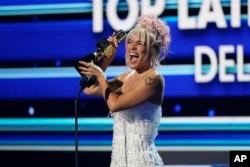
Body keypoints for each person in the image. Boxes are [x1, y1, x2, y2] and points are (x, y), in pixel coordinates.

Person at [78, 14, 171, 167]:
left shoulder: (154, 80)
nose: (132, 47)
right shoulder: (125, 78)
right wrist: (108, 57)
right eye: (129, 42)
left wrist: (101, 76)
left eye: (139, 43)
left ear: (151, 49)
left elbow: (114, 104)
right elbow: (90, 88)